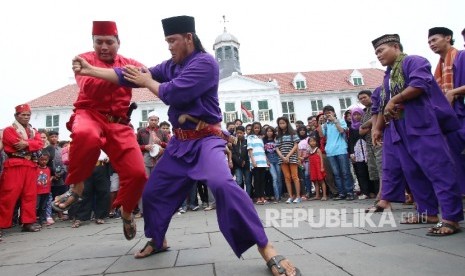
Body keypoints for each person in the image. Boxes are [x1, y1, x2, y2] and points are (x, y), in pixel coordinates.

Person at [71, 15, 300, 275]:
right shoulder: (171, 65)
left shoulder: (206, 63)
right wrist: (91, 70)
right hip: (179, 144)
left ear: (188, 38)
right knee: (153, 193)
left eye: (172, 40)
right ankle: (158, 240)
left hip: (206, 142)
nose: (168, 46)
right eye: (167, 41)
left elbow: (174, 93)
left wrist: (147, 82)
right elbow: (131, 75)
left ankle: (265, 246)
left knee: (222, 185)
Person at [53, 21, 147, 241]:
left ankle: (126, 212)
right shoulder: (82, 60)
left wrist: (106, 73)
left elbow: (146, 74)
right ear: (93, 42)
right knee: (87, 135)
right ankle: (76, 188)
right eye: (99, 42)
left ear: (118, 42)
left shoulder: (128, 62)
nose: (104, 47)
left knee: (138, 174)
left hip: (120, 123)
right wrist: (124, 76)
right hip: (90, 114)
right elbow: (90, 87)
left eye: (109, 42)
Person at [370, 34, 463, 236]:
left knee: (438, 169)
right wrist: (378, 127)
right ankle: (427, 212)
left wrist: (395, 99)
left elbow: (420, 84)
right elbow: (383, 104)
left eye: (381, 50)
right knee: (413, 172)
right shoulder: (389, 75)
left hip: (422, 124)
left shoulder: (414, 61)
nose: (378, 55)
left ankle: (451, 218)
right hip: (399, 128)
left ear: (395, 47)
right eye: (376, 52)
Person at [427, 27, 465, 194]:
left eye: (434, 40)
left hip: (460, 110)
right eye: (429, 42)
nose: (431, 44)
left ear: (448, 37)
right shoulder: (439, 66)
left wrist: (453, 92)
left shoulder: (460, 56)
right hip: (449, 116)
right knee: (455, 158)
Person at [0, 104, 44, 236]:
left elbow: (40, 144)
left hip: (30, 165)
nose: (26, 117)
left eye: (28, 115)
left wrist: (27, 143)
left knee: (30, 195)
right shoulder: (8, 130)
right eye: (23, 115)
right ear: (16, 116)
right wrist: (31, 144)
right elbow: (15, 144)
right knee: (8, 196)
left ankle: (28, 222)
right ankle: (1, 224)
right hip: (15, 165)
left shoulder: (33, 131)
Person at [321, 105, 354, 200]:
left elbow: (341, 131)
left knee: (345, 172)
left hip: (341, 150)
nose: (328, 115)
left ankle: (349, 192)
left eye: (329, 113)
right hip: (330, 151)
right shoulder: (326, 125)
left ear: (334, 112)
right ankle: (341, 193)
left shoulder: (340, 121)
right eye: (326, 113)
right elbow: (322, 135)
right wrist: (321, 124)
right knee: (336, 173)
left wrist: (334, 120)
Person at [276, 117, 302, 203]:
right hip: (282, 159)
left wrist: (288, 156)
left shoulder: (293, 133)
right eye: (280, 123)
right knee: (287, 178)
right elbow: (277, 148)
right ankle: (290, 196)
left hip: (292, 158)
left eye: (283, 123)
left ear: (287, 123)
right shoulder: (278, 135)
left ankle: (298, 196)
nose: (282, 125)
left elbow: (295, 146)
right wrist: (282, 157)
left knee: (295, 177)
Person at [307, 136, 327, 200]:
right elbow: (309, 160)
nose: (312, 143)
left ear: (316, 142)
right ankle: (317, 195)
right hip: (313, 168)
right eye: (311, 141)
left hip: (318, 167)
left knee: (321, 181)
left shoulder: (317, 149)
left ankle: (324, 195)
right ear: (309, 143)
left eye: (314, 141)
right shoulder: (309, 151)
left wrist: (322, 167)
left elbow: (321, 159)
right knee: (315, 181)